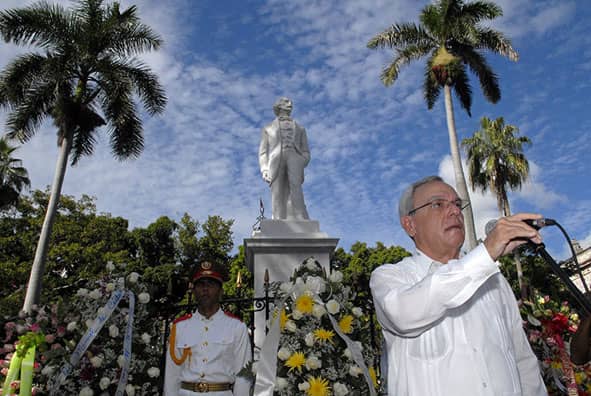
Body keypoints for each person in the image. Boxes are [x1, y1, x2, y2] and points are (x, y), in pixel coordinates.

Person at [370, 175, 547, 396]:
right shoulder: (390, 277)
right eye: (437, 204)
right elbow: (403, 314)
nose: (454, 211)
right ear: (410, 225)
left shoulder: (493, 280)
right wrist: (486, 253)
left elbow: (523, 360)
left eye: (456, 204)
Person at [164, 261, 252, 395]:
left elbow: (243, 375)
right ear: (193, 291)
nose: (205, 289)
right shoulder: (180, 327)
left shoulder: (236, 327)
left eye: (211, 284)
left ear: (221, 290)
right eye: (200, 284)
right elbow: (172, 375)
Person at [258, 97, 310, 220]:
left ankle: (300, 217)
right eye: (286, 102)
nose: (290, 103)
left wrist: (302, 161)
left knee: (295, 186)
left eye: (290, 102)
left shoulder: (300, 129)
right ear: (279, 106)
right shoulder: (268, 128)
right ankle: (278, 218)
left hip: (294, 157)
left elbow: (306, 150)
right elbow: (263, 152)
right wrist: (264, 169)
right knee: (277, 189)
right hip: (276, 159)